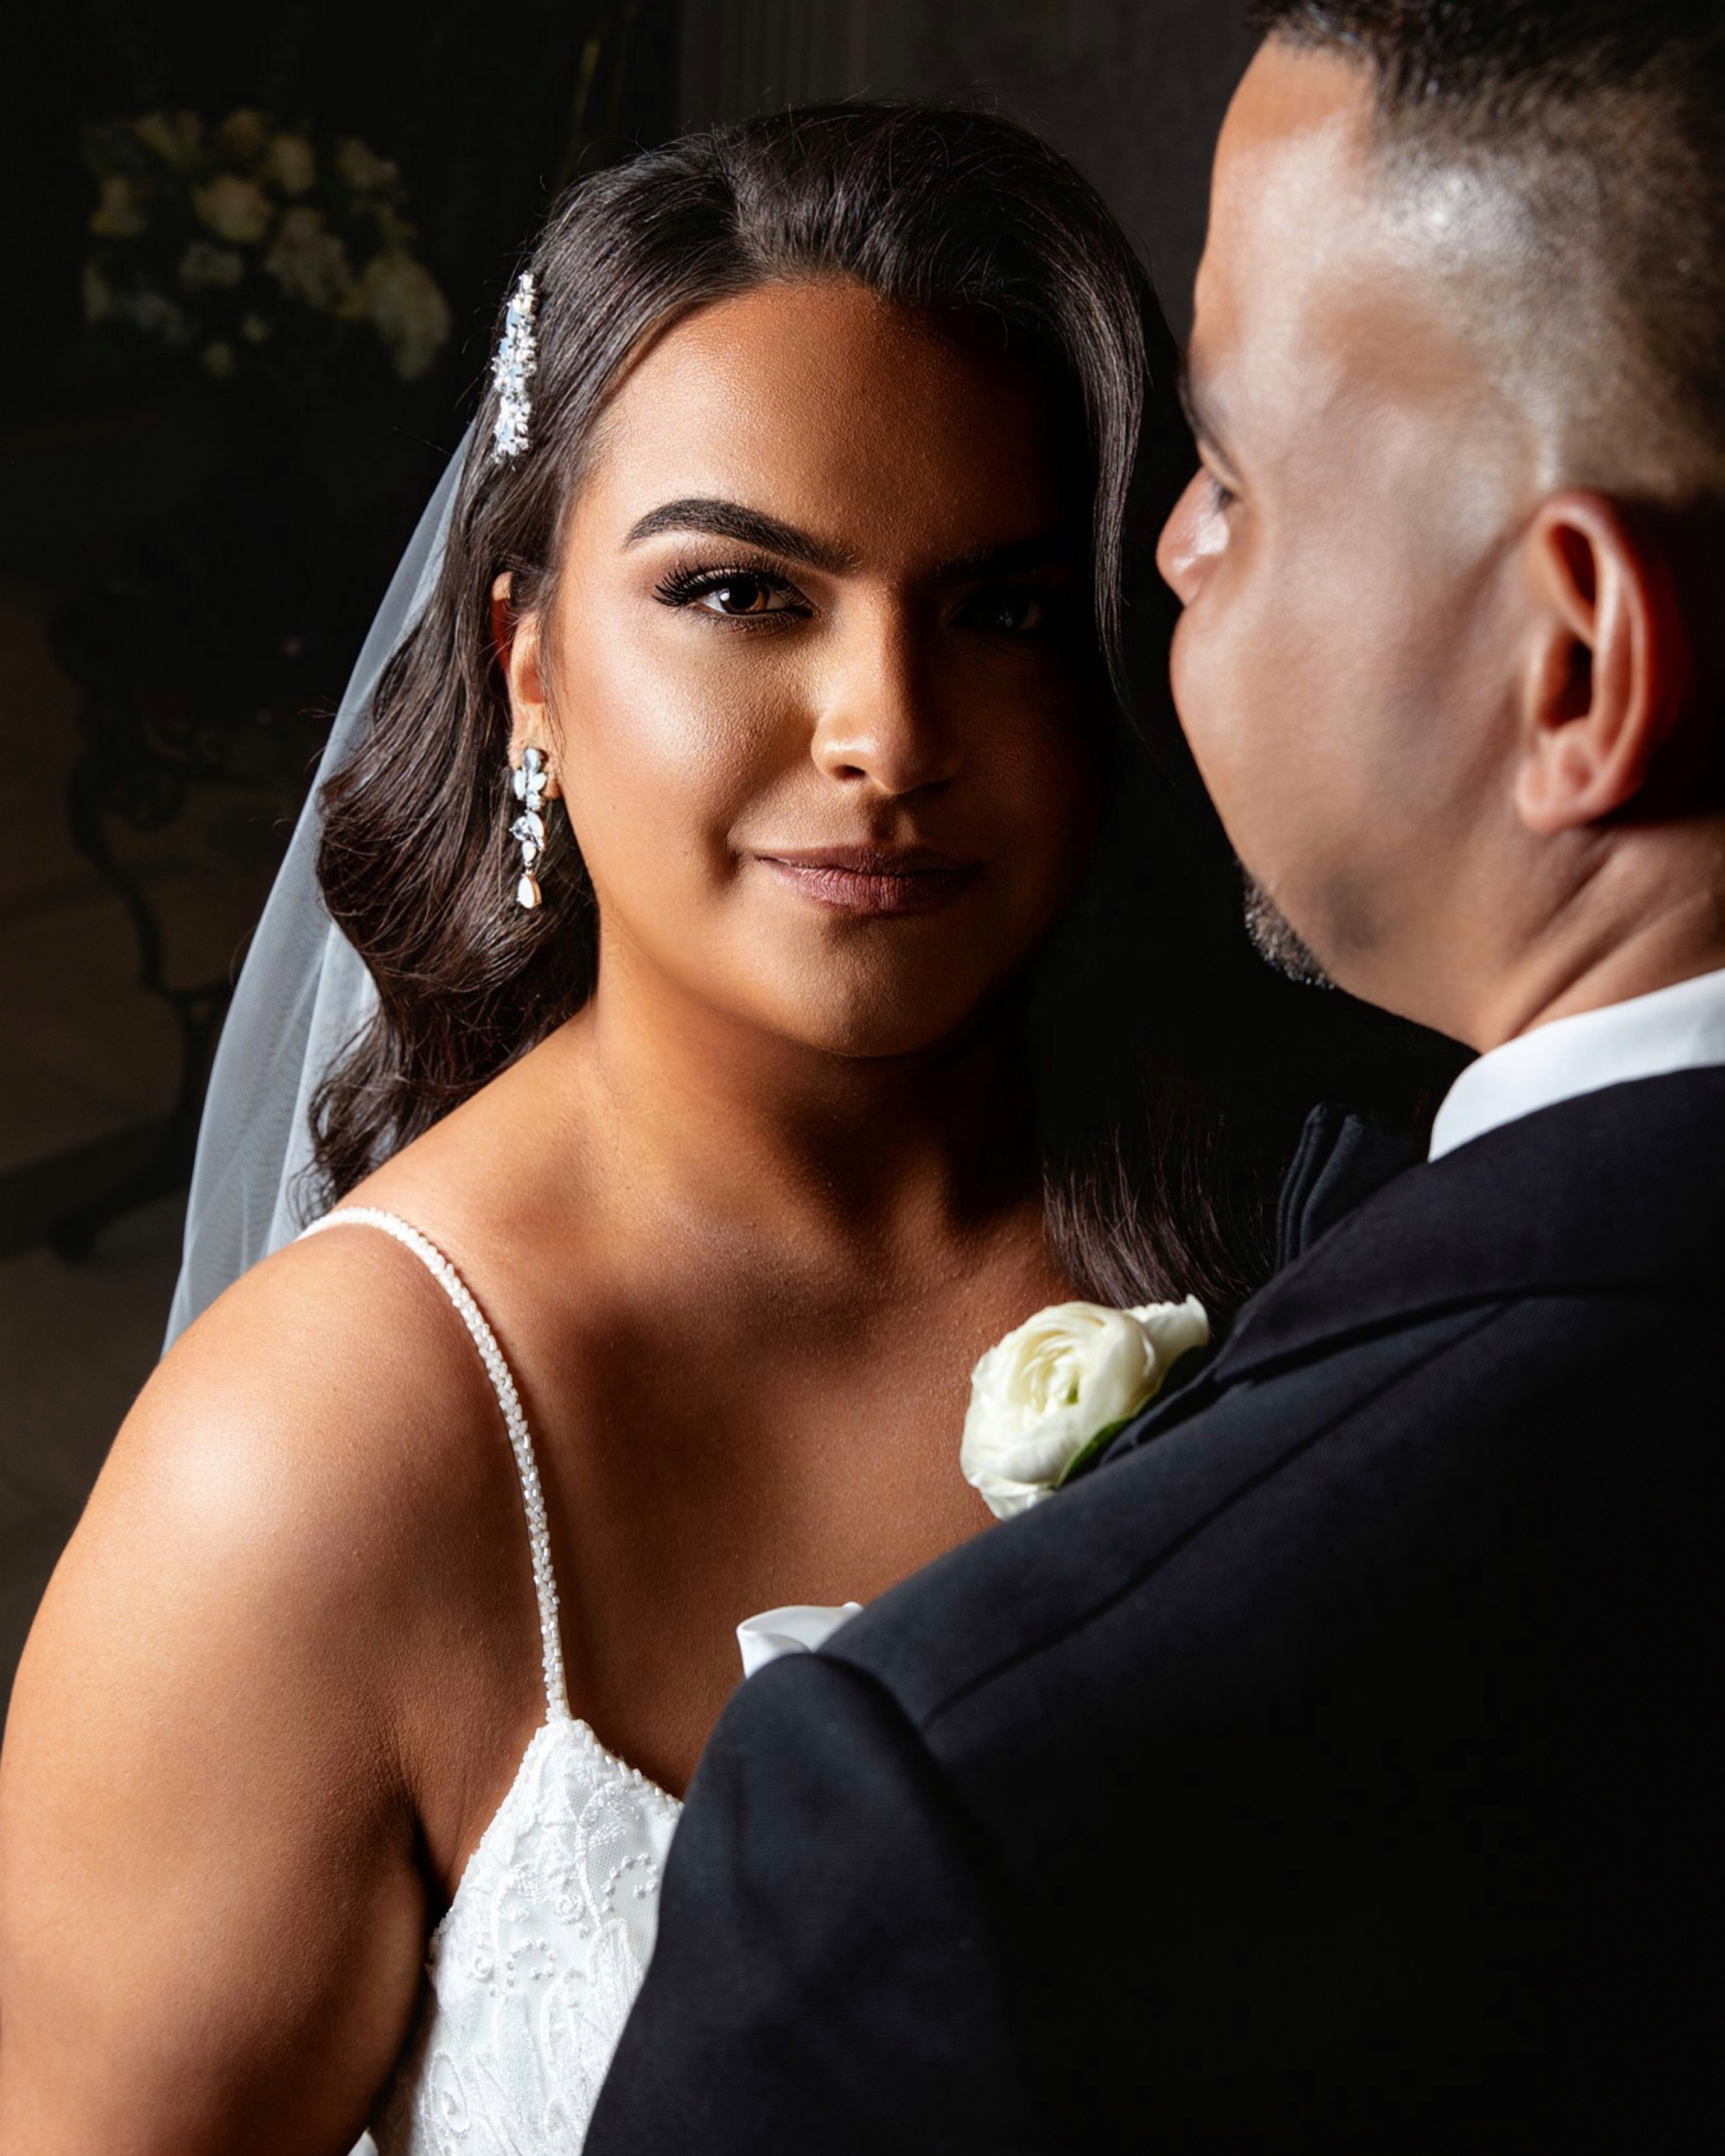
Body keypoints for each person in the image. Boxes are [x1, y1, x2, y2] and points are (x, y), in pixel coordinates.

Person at [0, 101, 1342, 2154]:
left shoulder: (1319, 1214)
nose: (887, 733)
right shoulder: (306, 1478)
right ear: (527, 661)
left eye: (995, 611)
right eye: (741, 594)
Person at [581, 6, 1725, 2150]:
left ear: (1572, 661)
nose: (1172, 559)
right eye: (742, 590)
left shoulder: (955, 1807)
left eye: (1233, 478)